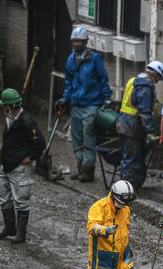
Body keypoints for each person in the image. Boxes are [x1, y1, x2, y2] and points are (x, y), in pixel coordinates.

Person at [56, 26, 112, 183]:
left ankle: (88, 170)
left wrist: (106, 98)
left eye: (80, 41)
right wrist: (66, 98)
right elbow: (69, 82)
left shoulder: (94, 59)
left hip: (92, 103)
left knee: (89, 136)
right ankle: (80, 166)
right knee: (77, 137)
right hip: (76, 104)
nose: (77, 44)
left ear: (86, 42)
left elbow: (103, 78)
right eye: (74, 41)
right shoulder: (70, 60)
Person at [0, 88, 46, 244]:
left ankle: (20, 235)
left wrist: (30, 157)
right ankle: (10, 229)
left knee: (21, 200)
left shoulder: (26, 121)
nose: (2, 108)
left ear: (11, 106)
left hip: (19, 168)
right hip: (7, 165)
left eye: (4, 106)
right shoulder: (10, 118)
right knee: (2, 194)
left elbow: (40, 142)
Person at [116, 60, 163, 190]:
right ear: (154, 74)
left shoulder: (133, 80)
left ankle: (123, 188)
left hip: (123, 124)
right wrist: (150, 131)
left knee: (127, 159)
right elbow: (145, 111)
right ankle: (125, 191)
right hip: (132, 127)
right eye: (158, 78)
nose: (156, 82)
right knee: (132, 161)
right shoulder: (145, 85)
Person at [86, 180, 139, 269]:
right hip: (103, 262)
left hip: (122, 261)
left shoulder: (125, 209)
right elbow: (91, 227)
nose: (123, 206)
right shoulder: (99, 207)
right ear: (114, 196)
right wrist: (105, 230)